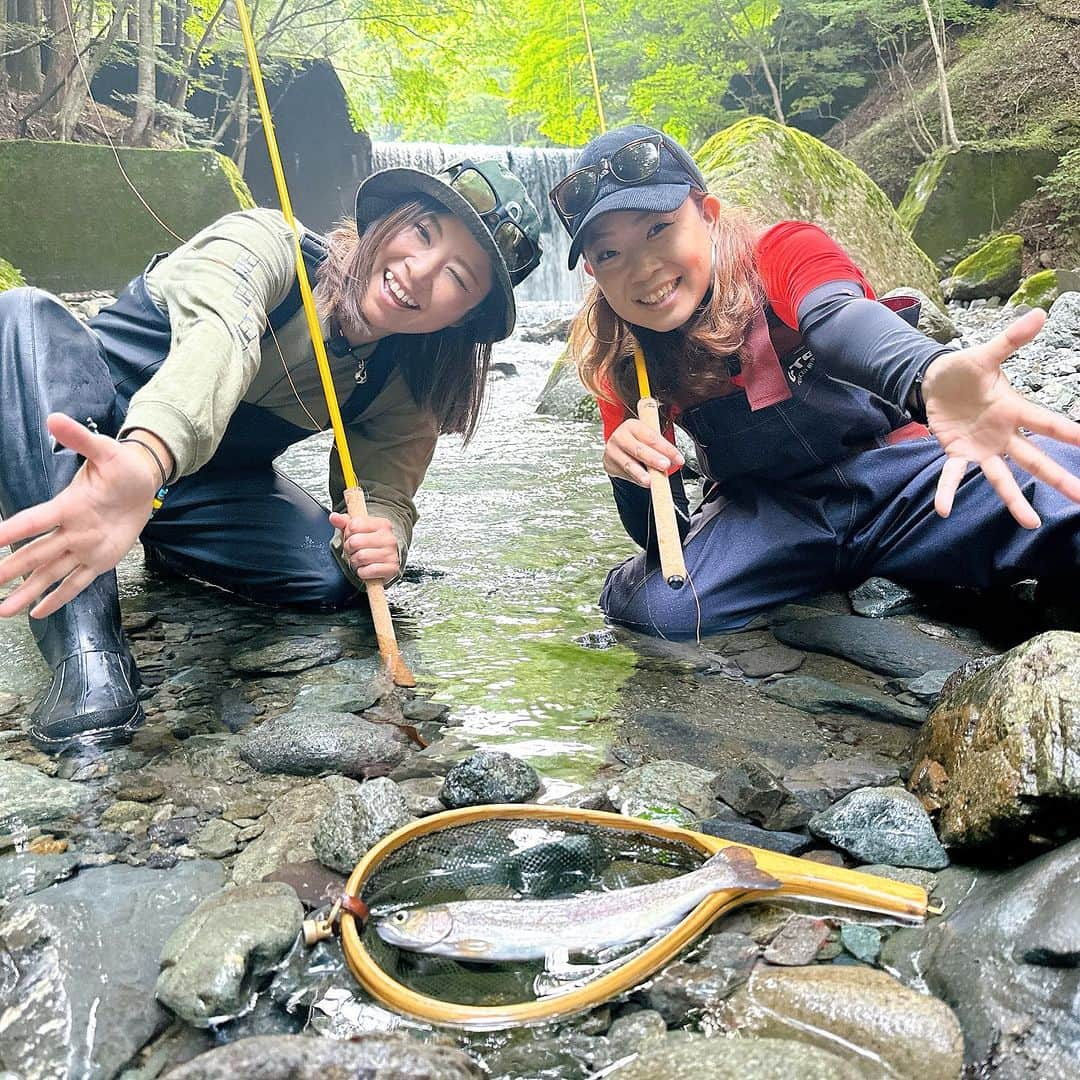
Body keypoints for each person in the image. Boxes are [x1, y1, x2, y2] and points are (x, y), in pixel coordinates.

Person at [0, 159, 543, 753]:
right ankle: (86, 648)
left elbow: (386, 489)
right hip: (85, 446)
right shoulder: (264, 246)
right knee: (21, 314)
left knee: (331, 579)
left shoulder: (403, 383)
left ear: (465, 318)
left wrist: (383, 539)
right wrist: (146, 458)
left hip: (189, 490)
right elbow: (219, 341)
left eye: (458, 278)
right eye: (422, 233)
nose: (418, 272)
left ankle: (169, 551)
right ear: (385, 222)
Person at [548, 124, 1080, 639]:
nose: (641, 269)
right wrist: (625, 476)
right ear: (593, 273)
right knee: (657, 609)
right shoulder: (622, 363)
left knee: (1066, 486)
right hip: (769, 520)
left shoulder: (782, 249)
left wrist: (931, 372)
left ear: (707, 216)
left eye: (657, 228)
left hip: (902, 482)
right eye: (609, 253)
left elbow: (839, 321)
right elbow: (663, 539)